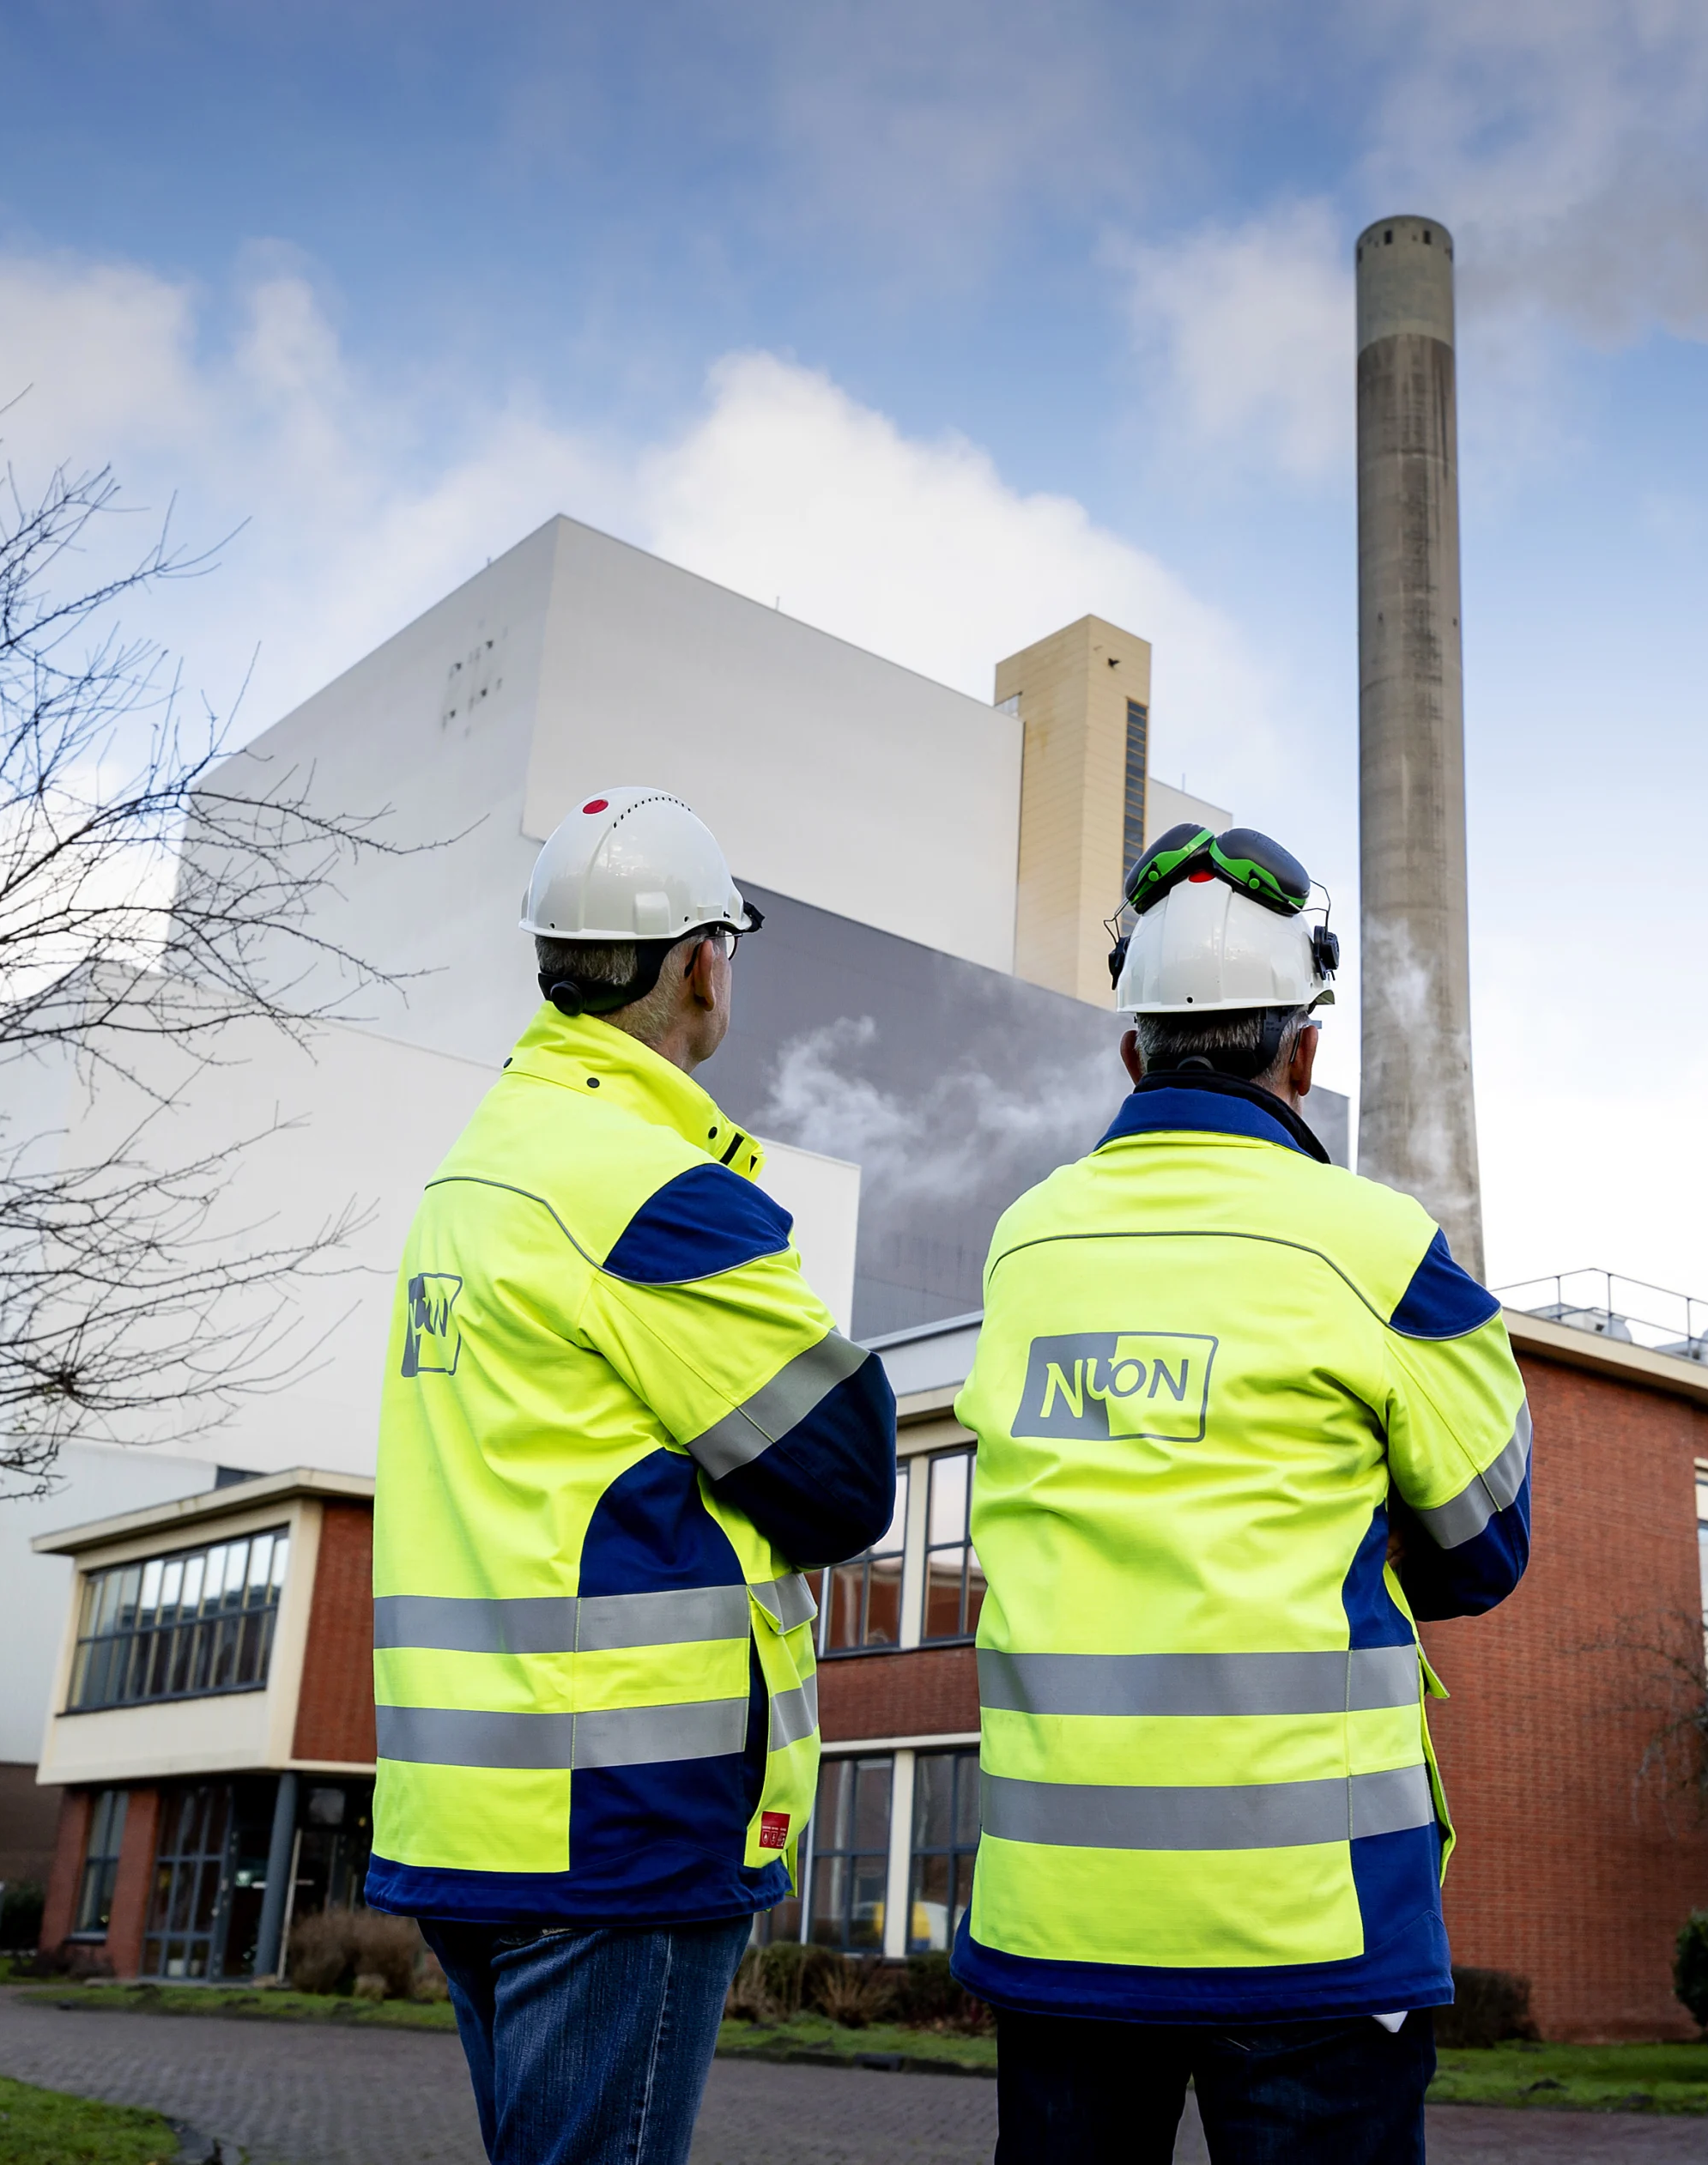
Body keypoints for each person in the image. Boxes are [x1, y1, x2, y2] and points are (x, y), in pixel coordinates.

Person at [952, 822, 1534, 2164]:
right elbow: (1483, 1548)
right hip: (1312, 1933)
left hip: (1060, 1930)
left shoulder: (1025, 1244)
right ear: (1306, 1056)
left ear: (1131, 1048)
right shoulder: (1382, 1252)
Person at [367, 788, 896, 2165]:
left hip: (470, 1817)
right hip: (618, 1827)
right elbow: (846, 1479)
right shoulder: (651, 1191)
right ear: (703, 964)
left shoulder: (472, 1179)